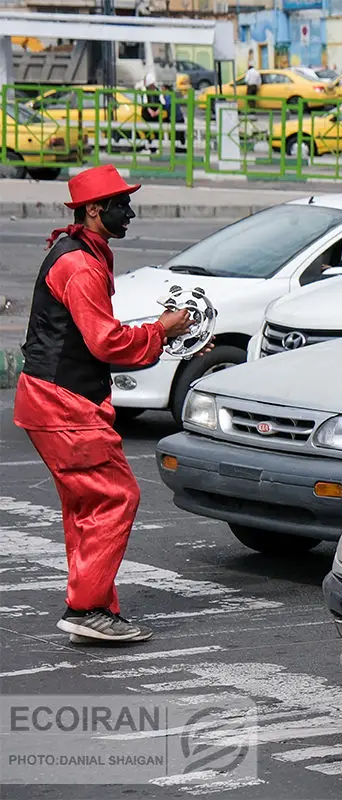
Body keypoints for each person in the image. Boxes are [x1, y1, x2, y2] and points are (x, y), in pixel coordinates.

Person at [13, 165, 197, 644]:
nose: (130, 213)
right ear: (95, 210)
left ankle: (91, 608)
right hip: (63, 404)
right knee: (117, 497)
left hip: (51, 399)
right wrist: (162, 331)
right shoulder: (79, 264)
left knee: (86, 506)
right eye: (122, 204)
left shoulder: (83, 252)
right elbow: (105, 342)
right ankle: (87, 608)